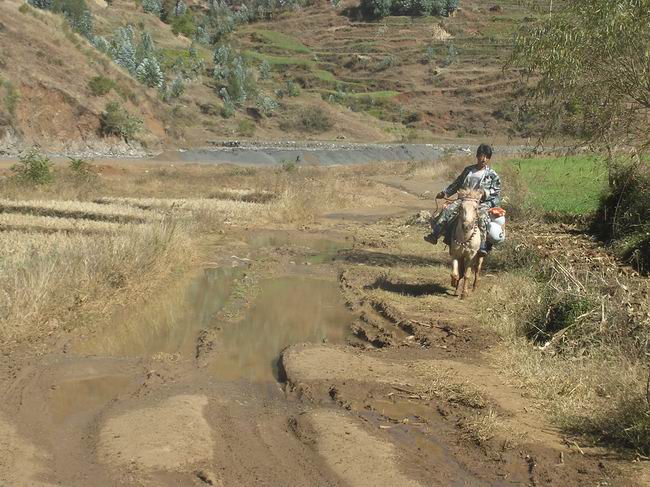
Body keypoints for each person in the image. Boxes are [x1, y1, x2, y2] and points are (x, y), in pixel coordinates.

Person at [424, 144, 501, 255]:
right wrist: (445, 193)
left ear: (489, 158)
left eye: (487, 157)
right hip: (464, 199)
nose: (484, 159)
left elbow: (496, 191)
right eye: (482, 156)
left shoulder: (492, 175)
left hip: (481, 202)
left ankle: (482, 245)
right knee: (448, 210)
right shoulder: (468, 170)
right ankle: (435, 235)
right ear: (477, 156)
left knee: (482, 217)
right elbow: (457, 184)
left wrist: (485, 193)